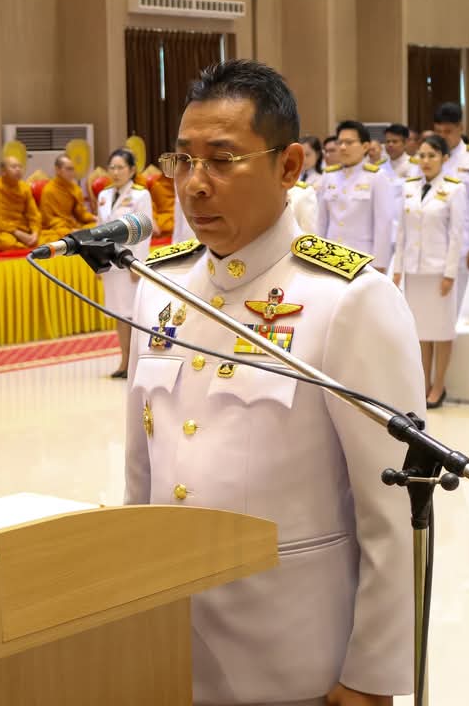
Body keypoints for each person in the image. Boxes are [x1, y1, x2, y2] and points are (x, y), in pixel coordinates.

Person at [132, 59, 420, 706]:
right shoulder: (159, 291)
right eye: (184, 160)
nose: (194, 185)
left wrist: (372, 676)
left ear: (289, 167)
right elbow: (140, 481)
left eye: (222, 160)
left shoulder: (349, 300)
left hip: (293, 657)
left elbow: (393, 510)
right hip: (174, 649)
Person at [392, 135, 465, 408]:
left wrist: (449, 273)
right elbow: (402, 231)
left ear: (445, 158)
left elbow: (457, 235)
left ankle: (439, 385)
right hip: (414, 269)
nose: (426, 161)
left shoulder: (455, 189)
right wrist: (398, 268)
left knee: (442, 331)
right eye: (421, 155)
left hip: (438, 271)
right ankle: (422, 384)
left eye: (432, 155)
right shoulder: (409, 187)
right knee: (421, 332)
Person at [98, 148, 153, 378]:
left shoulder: (141, 195)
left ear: (132, 170)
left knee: (134, 314)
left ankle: (139, 362)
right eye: (112, 167)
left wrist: (136, 264)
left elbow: (144, 230)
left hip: (128, 262)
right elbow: (98, 229)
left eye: (121, 167)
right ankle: (124, 362)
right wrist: (98, 262)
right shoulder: (103, 195)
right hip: (110, 263)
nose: (116, 172)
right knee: (119, 314)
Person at [315, 120, 397, 272]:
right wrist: (317, 257)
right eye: (340, 143)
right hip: (330, 258)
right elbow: (321, 221)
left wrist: (380, 263)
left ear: (365, 146)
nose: (343, 147)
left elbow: (383, 224)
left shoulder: (377, 177)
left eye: (349, 142)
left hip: (362, 259)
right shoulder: (329, 176)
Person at [433, 102, 469, 303]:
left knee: (458, 303)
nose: (443, 136)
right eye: (439, 131)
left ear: (460, 128)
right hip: (433, 243)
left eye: (448, 131)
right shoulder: (427, 157)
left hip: (462, 243)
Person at [0, 155, 42, 252]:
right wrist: (18, 233)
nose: (18, 170)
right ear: (3, 172)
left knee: (47, 240)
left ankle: (23, 245)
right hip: (3, 232)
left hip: (23, 229)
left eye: (20, 166)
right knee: (6, 242)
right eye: (14, 167)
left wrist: (35, 233)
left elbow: (34, 215)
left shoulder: (24, 188)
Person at [38, 154, 98, 243]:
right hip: (58, 229)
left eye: (73, 169)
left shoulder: (75, 188)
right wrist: (69, 230)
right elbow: (49, 219)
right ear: (57, 170)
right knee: (50, 238)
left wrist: (95, 218)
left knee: (97, 227)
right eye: (68, 169)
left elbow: (81, 213)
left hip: (74, 226)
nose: (72, 173)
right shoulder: (49, 190)